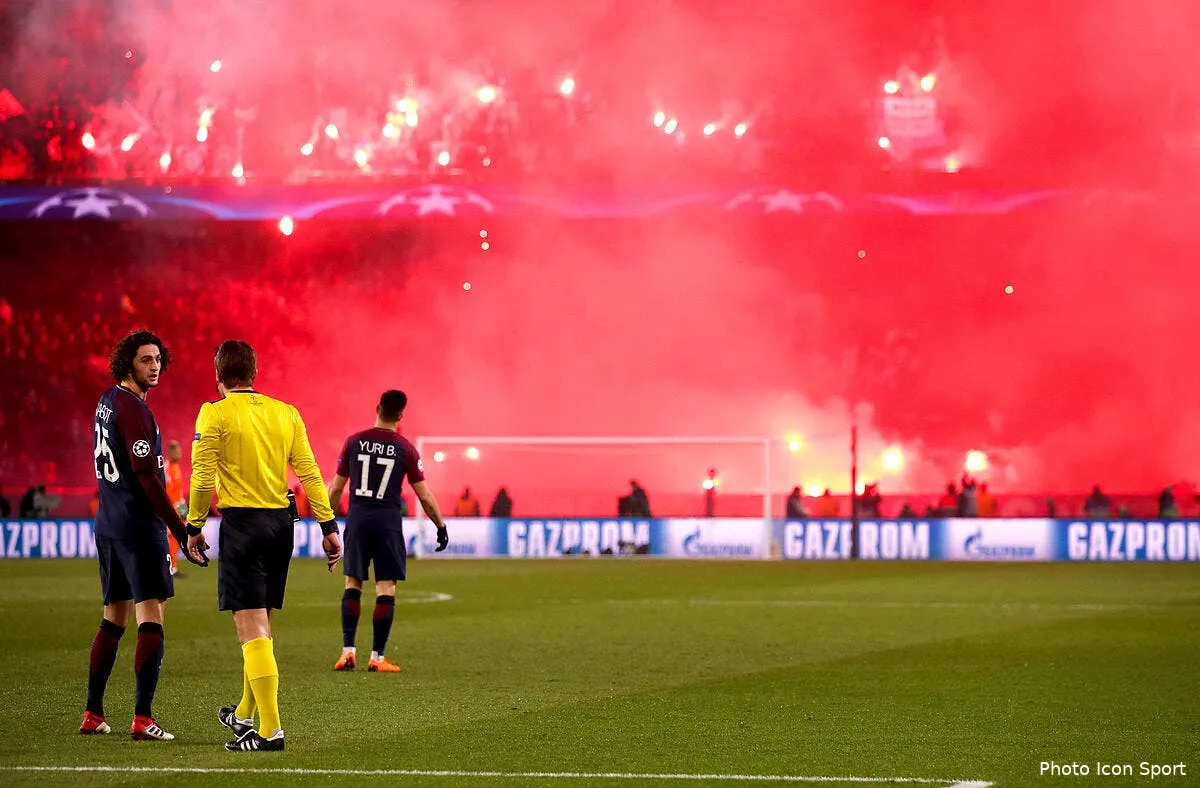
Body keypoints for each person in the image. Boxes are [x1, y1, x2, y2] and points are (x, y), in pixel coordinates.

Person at [184, 340, 341, 753]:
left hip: (244, 525)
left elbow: (201, 477)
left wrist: (193, 525)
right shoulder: (285, 412)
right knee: (263, 625)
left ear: (218, 376)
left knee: (249, 626)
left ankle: (270, 731)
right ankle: (244, 715)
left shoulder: (214, 412)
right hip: (280, 526)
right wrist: (327, 524)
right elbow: (309, 471)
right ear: (254, 373)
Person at [81, 329, 198, 741]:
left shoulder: (106, 403)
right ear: (128, 362)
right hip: (137, 526)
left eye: (158, 360)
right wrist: (181, 532)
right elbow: (147, 476)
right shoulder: (133, 409)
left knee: (114, 616)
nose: (155, 367)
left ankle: (93, 713)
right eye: (146, 360)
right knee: (152, 614)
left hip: (109, 523)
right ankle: (143, 718)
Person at [326, 390, 449, 673]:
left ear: (378, 407)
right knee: (386, 587)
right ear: (401, 415)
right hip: (388, 522)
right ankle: (377, 657)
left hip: (358, 519)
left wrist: (327, 522)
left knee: (352, 583)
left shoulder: (354, 442)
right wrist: (440, 525)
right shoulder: (405, 448)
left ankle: (347, 652)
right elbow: (425, 495)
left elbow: (335, 488)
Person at [163, 440, 186, 576]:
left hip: (178, 508)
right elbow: (166, 492)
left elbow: (179, 494)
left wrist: (184, 511)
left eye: (179, 450)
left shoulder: (176, 467)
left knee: (176, 537)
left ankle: (173, 567)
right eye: (176, 450)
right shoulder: (167, 468)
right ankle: (169, 567)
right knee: (170, 537)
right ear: (170, 452)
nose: (179, 453)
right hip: (170, 509)